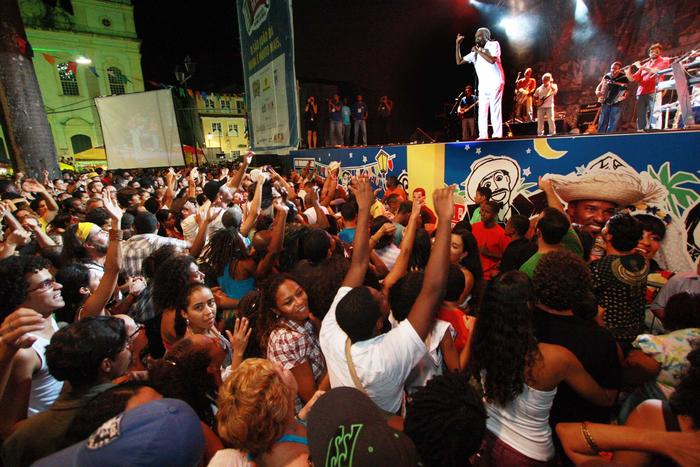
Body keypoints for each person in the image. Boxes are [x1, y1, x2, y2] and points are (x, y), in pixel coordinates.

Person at [320, 176, 454, 414]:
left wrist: (363, 209)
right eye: (381, 298)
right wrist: (445, 220)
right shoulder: (386, 356)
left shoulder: (331, 331)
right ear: (379, 323)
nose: (384, 292)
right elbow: (432, 290)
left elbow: (358, 263)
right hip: (383, 430)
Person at [471, 272, 617, 465]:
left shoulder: (482, 340)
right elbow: (605, 398)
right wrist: (599, 330)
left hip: (485, 435)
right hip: (527, 453)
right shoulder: (553, 358)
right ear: (529, 306)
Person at [1, 317, 130, 467]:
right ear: (106, 365)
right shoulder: (129, 409)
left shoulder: (25, 435)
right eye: (125, 346)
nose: (129, 349)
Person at [0, 256, 65, 439]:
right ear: (20, 298)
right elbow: (9, 428)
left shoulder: (49, 319)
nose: (58, 286)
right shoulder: (24, 351)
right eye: (46, 284)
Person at [215, 358, 312, 466]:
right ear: (279, 398)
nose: (279, 363)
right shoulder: (300, 461)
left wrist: (302, 414)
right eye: (280, 372)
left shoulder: (278, 428)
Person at [257, 274, 327, 413]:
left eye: (299, 293)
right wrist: (337, 356)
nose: (299, 302)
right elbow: (313, 399)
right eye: (288, 302)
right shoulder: (288, 339)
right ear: (276, 310)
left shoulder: (304, 323)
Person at [590, 212, 647, 350]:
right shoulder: (642, 261)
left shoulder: (599, 267)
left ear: (609, 235)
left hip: (608, 336)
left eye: (607, 226)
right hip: (636, 333)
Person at [456, 28, 505, 139]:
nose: (476, 38)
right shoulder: (475, 53)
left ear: (486, 36)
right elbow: (459, 61)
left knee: (494, 108)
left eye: (479, 36)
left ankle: (497, 135)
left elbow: (492, 60)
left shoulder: (493, 44)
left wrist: (478, 51)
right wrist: (457, 45)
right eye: (475, 37)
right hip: (483, 85)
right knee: (482, 111)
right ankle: (483, 135)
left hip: (495, 82)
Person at [624, 43, 671, 130]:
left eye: (656, 51)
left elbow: (656, 71)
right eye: (651, 51)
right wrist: (627, 73)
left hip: (654, 90)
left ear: (660, 52)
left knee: (655, 112)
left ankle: (655, 131)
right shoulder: (645, 64)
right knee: (641, 113)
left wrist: (640, 67)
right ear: (649, 53)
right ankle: (641, 131)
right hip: (641, 92)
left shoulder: (664, 60)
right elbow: (633, 79)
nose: (653, 53)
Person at [471, 200, 509, 279]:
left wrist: (489, 254)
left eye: (487, 212)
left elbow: (507, 257)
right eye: (482, 210)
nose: (483, 214)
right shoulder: (474, 227)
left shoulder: (502, 234)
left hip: (487, 276)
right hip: (471, 271)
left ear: (495, 214)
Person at [595, 61, 629, 133]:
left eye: (615, 69)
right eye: (612, 68)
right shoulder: (607, 76)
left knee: (613, 122)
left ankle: (609, 138)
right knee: (602, 121)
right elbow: (600, 84)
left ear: (620, 69)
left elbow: (626, 90)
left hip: (617, 103)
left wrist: (623, 96)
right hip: (605, 101)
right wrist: (597, 91)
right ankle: (600, 137)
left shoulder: (624, 77)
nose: (613, 70)